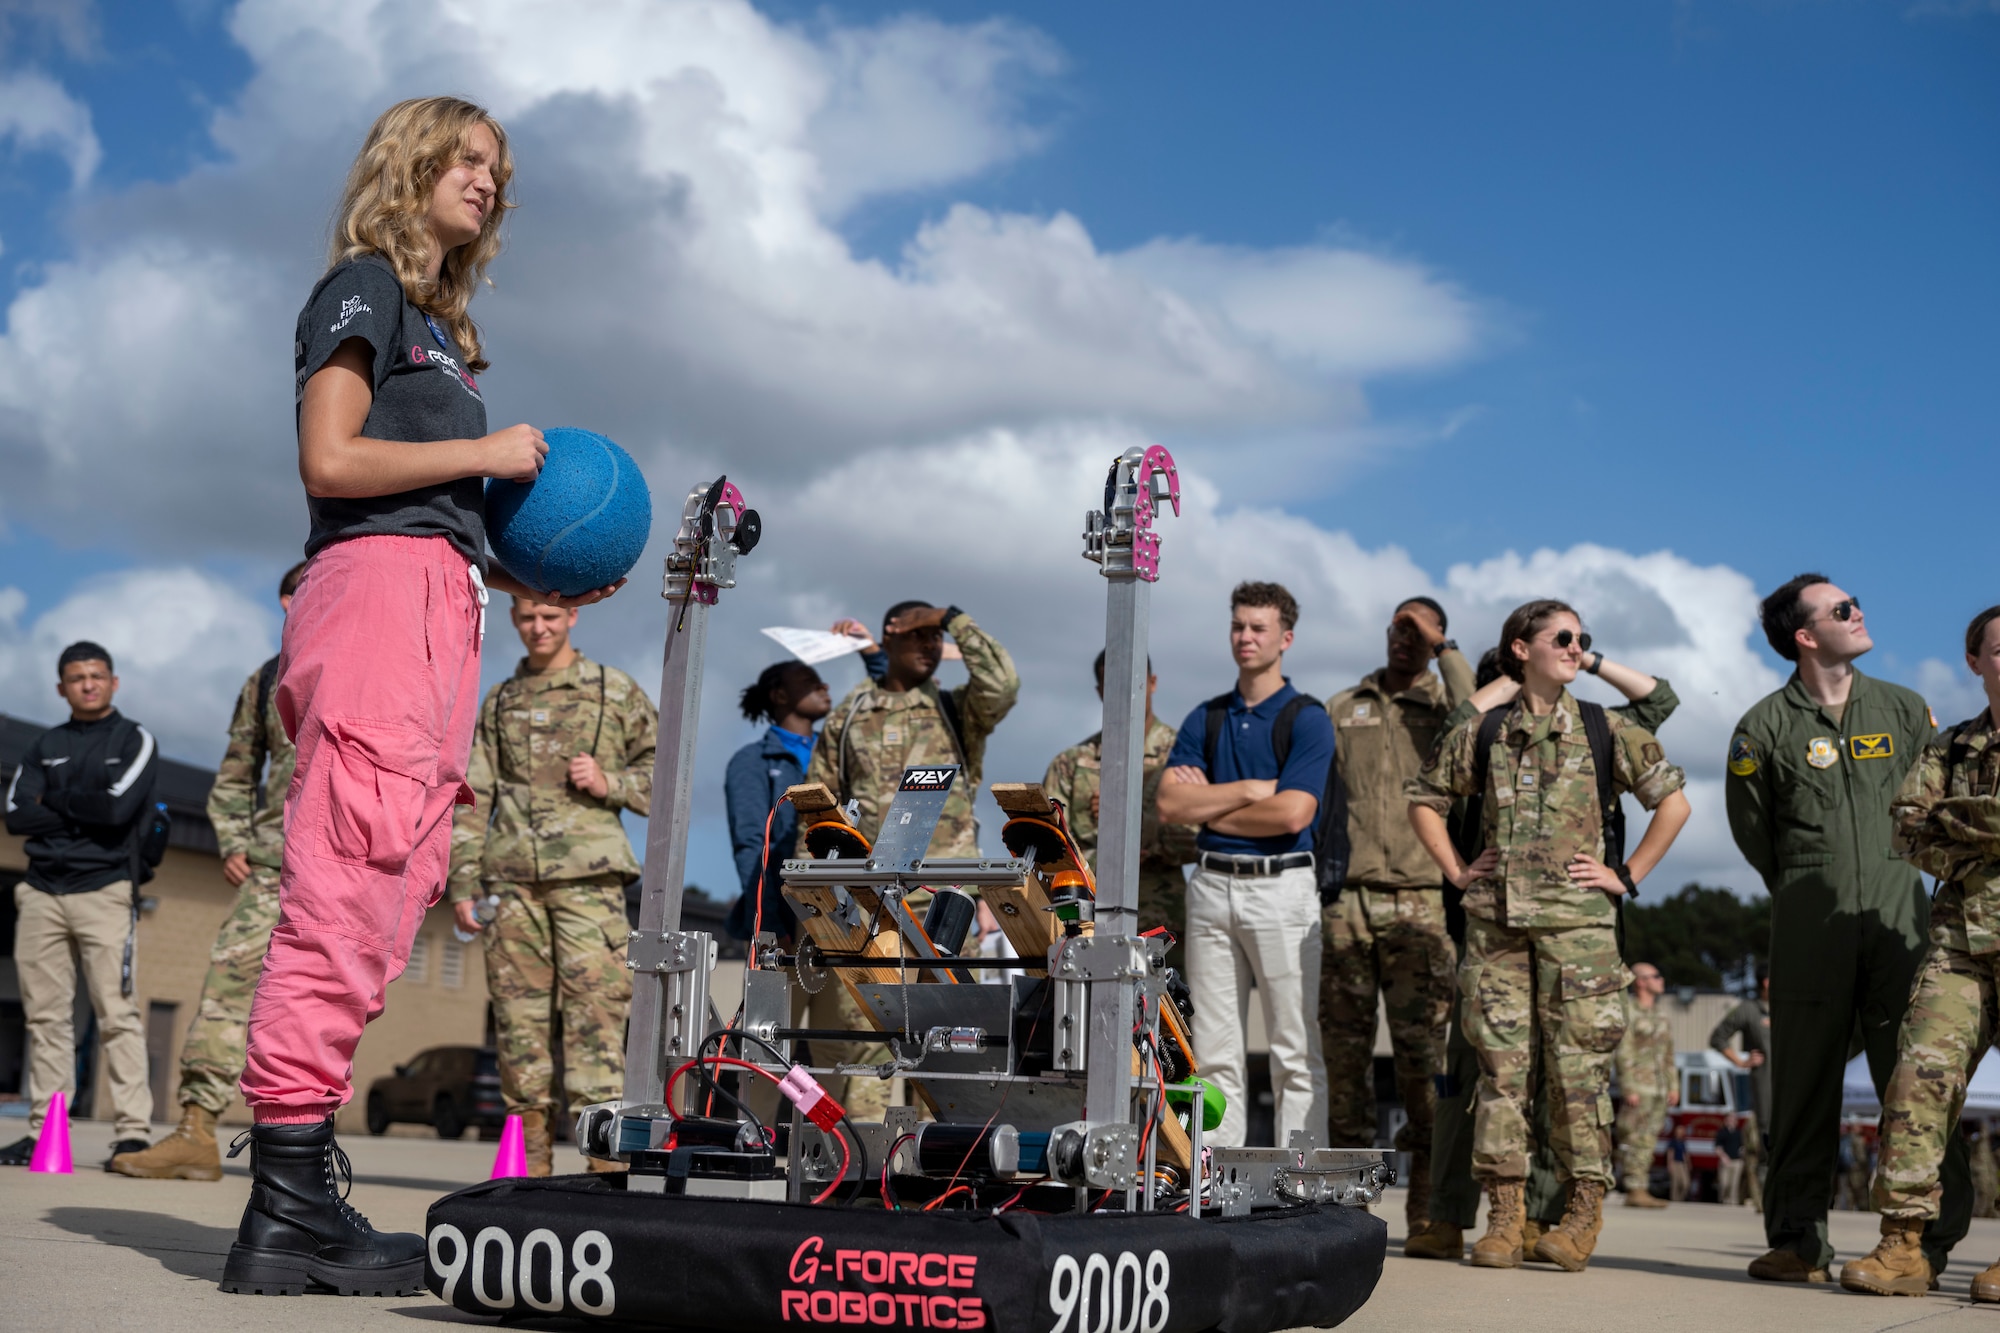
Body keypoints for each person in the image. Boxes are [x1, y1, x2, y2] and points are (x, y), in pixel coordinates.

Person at [227, 96, 620, 1297]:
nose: (483, 180)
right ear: (405, 168)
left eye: (495, 168)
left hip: (439, 602)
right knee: (344, 881)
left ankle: (299, 1190)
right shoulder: (363, 287)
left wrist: (526, 560)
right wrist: (488, 457)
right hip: (378, 600)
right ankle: (285, 1202)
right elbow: (332, 462)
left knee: (389, 893)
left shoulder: (443, 330)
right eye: (461, 158)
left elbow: (423, 497)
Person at [1409, 599, 1690, 1272]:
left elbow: (1673, 801)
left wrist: (1627, 874)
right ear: (1520, 649)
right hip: (1498, 931)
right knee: (1502, 1078)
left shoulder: (1606, 728)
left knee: (1578, 1077)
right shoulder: (1485, 731)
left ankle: (1580, 1213)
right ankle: (1504, 1216)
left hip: (1581, 936)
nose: (1575, 647)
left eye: (1581, 638)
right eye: (1561, 637)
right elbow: (1425, 798)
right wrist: (1455, 869)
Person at [1726, 573, 1969, 1284]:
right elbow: (1753, 831)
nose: (1858, 612)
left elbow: (1933, 806)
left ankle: (1927, 1238)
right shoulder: (1763, 725)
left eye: (1854, 602)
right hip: (1808, 921)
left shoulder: (1902, 710)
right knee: (1801, 1083)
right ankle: (1798, 1240)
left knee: (1920, 1080)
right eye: (1841, 609)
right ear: (1806, 636)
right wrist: (1810, 880)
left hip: (1900, 918)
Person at [111, 562, 308, 1180]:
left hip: (353, 864)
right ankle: (197, 1129)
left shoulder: (375, 662)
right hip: (275, 864)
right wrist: (233, 839)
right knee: (226, 988)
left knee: (322, 1006)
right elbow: (234, 775)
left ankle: (302, 1149)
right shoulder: (265, 681)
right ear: (285, 601)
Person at [447, 596, 656, 1175]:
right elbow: (471, 795)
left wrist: (610, 780)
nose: (538, 628)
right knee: (517, 1021)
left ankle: (604, 1161)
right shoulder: (500, 701)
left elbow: (668, 775)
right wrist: (462, 882)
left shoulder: (613, 690)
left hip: (588, 880)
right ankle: (525, 1165)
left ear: (572, 618)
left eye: (549, 617)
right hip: (510, 882)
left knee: (596, 1014)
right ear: (513, 620)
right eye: (527, 618)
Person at [802, 599, 1019, 1117]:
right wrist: (815, 903)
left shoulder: (956, 709)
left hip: (943, 898)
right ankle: (867, 1173)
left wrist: (954, 619)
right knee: (871, 1037)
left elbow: (1003, 685)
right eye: (919, 634)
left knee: (943, 1041)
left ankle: (932, 1174)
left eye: (936, 637)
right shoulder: (850, 715)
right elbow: (816, 817)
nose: (931, 646)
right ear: (890, 633)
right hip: (869, 900)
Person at [1841, 605, 2000, 1299]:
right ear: (1975, 661)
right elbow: (1908, 831)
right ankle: (1903, 1242)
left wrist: (1965, 827)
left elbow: (1937, 829)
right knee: (1915, 1084)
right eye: (1999, 649)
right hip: (1961, 943)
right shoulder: (1952, 750)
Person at [1159, 581, 1334, 1148]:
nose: (1245, 637)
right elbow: (1169, 805)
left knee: (1292, 1046)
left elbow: (1292, 814)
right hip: (1209, 886)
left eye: (1258, 628)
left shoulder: (1307, 718)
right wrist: (1252, 789)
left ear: (1286, 637)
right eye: (1238, 626)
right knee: (1212, 1049)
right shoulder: (1205, 718)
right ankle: (1214, 1176)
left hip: (1281, 887)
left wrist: (1210, 808)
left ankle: (1298, 1181)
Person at [1319, 598, 1474, 1236]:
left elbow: (1476, 713)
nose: (1404, 640)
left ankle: (1429, 1210)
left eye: (1419, 631)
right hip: (1348, 900)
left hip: (1419, 899)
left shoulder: (1443, 706)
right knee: (1345, 1061)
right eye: (1398, 628)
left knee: (1424, 1063)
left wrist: (1444, 645)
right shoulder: (1344, 705)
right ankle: (1347, 1214)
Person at [1, 642, 158, 1167]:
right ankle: (46, 1129)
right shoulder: (44, 744)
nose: (87, 684)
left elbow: (117, 811)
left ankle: (133, 1132)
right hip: (42, 891)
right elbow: (17, 816)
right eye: (76, 677)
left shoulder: (134, 738)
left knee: (117, 1014)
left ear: (113, 682)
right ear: (60, 688)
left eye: (96, 675)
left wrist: (57, 802)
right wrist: (79, 811)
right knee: (46, 1018)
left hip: (105, 891)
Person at [1043, 652, 1198, 966]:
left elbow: (1203, 834)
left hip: (1164, 925)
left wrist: (1141, 827)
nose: (1125, 694)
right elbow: (1050, 845)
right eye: (1111, 685)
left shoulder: (1183, 755)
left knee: (1171, 1012)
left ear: (1153, 683)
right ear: (1099, 690)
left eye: (1136, 683)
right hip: (1091, 923)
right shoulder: (1072, 764)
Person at [726, 661, 832, 946]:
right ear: (780, 696)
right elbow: (752, 846)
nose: (825, 687)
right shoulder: (751, 762)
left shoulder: (839, 753)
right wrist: (768, 926)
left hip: (848, 914)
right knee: (783, 993)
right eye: (810, 680)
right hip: (789, 921)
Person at [1615, 961, 1678, 1208]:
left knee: (1649, 1139)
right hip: (1639, 1087)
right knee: (1633, 1136)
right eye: (1656, 976)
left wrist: (1674, 1086)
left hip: (1659, 1088)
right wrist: (1628, 1086)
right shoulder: (1628, 1011)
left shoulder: (1661, 1015)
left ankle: (1641, 1186)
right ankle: (1633, 1187)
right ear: (1640, 981)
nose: (1661, 981)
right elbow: (1624, 1051)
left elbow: (1669, 1054)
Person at [1710, 969, 1772, 1195]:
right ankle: (1765, 1190)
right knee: (1768, 1129)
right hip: (1765, 1081)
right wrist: (1741, 1061)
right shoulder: (1749, 1009)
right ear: (1766, 982)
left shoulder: (1789, 1008)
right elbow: (1718, 1037)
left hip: (1792, 1083)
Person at [1717, 1116, 1747, 1206]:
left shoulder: (1739, 1133)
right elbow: (1718, 1148)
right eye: (1729, 1120)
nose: (1731, 1121)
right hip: (1726, 1161)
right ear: (1726, 1121)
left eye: (1733, 1120)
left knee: (1735, 1183)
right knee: (1725, 1183)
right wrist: (1723, 1157)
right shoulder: (1722, 1133)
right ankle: (1724, 1199)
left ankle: (1733, 1202)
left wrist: (1743, 1154)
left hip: (1737, 1161)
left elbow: (1743, 1146)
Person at [1667, 1122, 1693, 1202]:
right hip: (1675, 1163)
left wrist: (1688, 1163)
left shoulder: (1682, 1142)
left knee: (1685, 1183)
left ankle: (1681, 1198)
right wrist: (1669, 1164)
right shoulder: (1673, 1142)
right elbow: (1670, 1153)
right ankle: (1675, 1199)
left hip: (1682, 1164)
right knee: (1675, 1182)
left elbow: (1685, 1154)